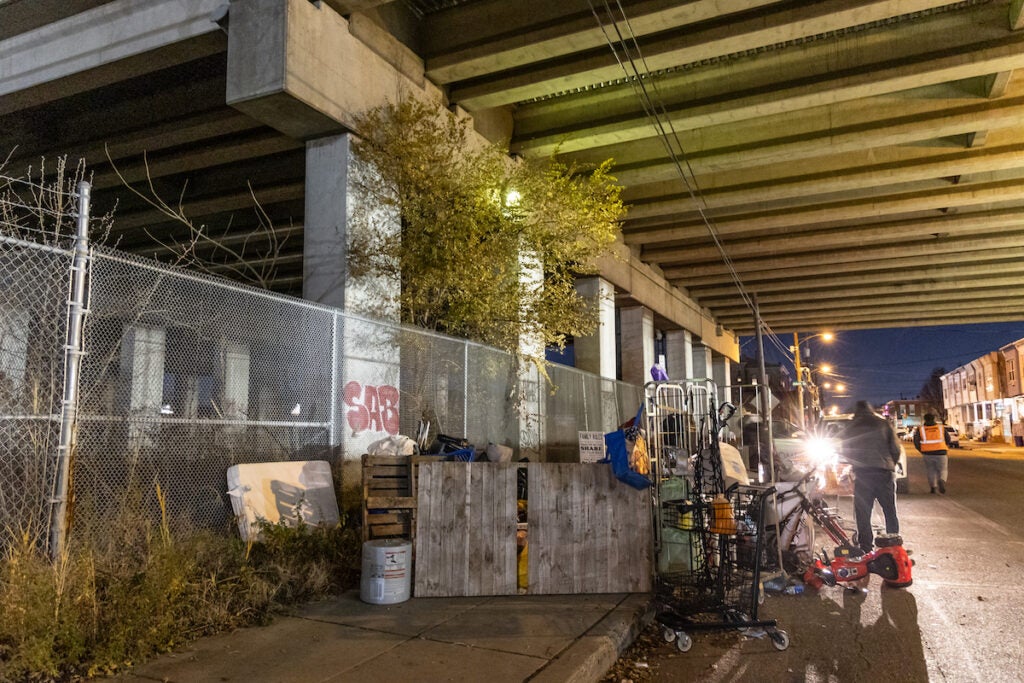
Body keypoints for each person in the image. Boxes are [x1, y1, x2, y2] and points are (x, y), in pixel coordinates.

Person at [840, 400, 903, 554]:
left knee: (863, 513)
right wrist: (890, 464)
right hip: (884, 472)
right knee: (889, 510)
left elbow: (846, 451)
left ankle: (866, 546)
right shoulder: (883, 423)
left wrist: (856, 464)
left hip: (863, 474)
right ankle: (894, 544)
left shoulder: (851, 427)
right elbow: (895, 448)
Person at [913, 413, 951, 494]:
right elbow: (948, 439)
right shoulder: (941, 427)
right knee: (943, 469)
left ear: (925, 419)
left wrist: (921, 450)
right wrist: (944, 446)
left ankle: (933, 487)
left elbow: (916, 442)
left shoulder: (921, 429)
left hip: (927, 453)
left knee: (931, 470)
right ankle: (941, 480)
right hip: (941, 452)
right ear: (934, 419)